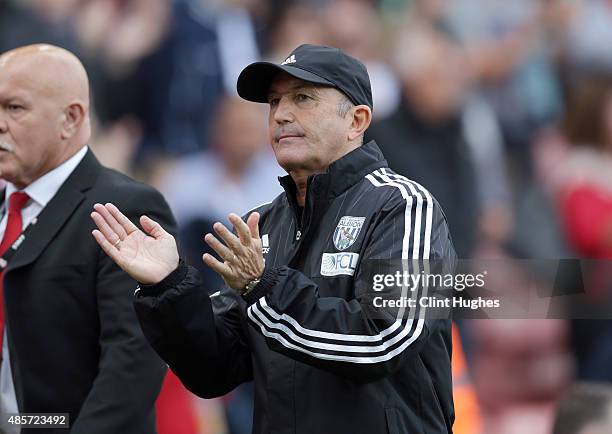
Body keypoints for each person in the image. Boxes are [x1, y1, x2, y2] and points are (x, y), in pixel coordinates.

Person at [92, 44, 456, 433]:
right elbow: (214, 369)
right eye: (274, 102)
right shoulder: (265, 222)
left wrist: (265, 287)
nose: (281, 114)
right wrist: (168, 286)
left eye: (303, 98)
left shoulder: (405, 206)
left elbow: (386, 341)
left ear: (357, 120)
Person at [0, 44, 176, 433]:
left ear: (70, 118)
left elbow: (131, 364)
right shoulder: (5, 202)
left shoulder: (124, 206)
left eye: (14, 108)